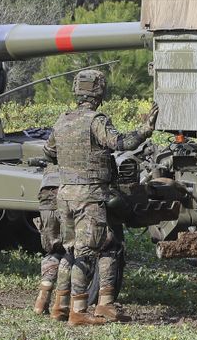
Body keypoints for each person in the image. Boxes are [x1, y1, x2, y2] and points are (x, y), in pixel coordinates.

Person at [43, 69, 157, 325]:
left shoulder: (63, 120)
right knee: (93, 251)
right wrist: (145, 130)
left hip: (65, 195)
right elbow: (120, 143)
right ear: (99, 93)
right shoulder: (96, 120)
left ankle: (60, 306)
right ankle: (80, 311)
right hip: (90, 197)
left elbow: (49, 152)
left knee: (71, 251)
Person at [34, 170, 69, 319]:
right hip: (70, 192)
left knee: (53, 250)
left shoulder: (55, 145)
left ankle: (41, 302)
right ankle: (61, 307)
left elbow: (49, 151)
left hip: (47, 193)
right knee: (71, 251)